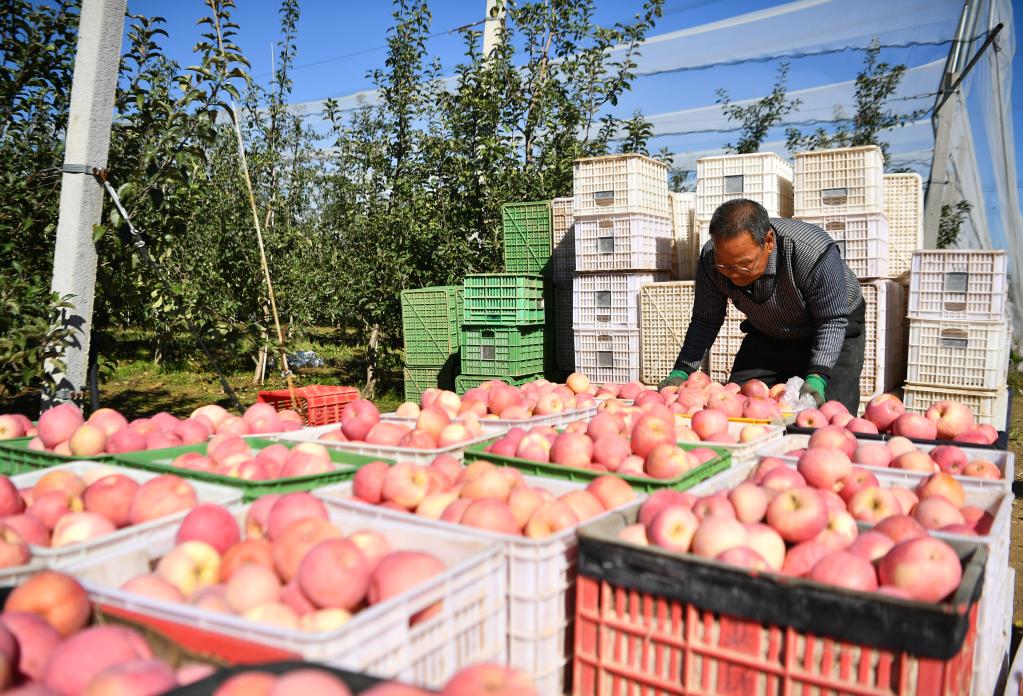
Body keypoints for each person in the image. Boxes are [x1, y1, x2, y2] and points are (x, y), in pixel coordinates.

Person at [658, 198, 865, 412]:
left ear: (768, 241)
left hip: (833, 327)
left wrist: (818, 377)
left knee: (829, 413)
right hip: (768, 330)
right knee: (738, 404)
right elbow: (706, 319)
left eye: (744, 264)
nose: (733, 274)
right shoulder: (712, 259)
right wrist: (683, 370)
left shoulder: (811, 251)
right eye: (725, 266)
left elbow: (831, 320)